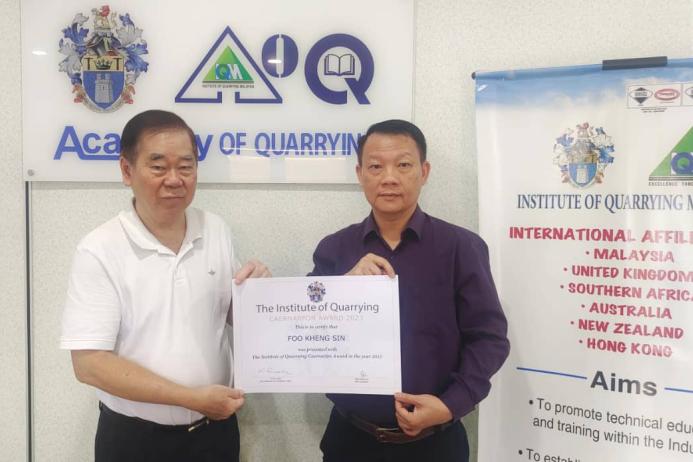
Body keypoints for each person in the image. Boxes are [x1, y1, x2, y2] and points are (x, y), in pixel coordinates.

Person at [60, 110, 269, 462]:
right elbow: (89, 364)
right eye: (158, 167)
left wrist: (258, 294)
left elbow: (227, 315)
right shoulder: (100, 248)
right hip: (135, 440)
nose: (174, 179)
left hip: (213, 433)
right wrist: (191, 398)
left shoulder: (215, 228)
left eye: (186, 166)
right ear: (127, 170)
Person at [309, 119, 510, 462]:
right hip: (349, 441)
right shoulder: (334, 249)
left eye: (403, 164)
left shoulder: (461, 247)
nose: (389, 177)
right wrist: (342, 289)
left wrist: (451, 404)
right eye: (375, 166)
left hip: (436, 446)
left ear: (424, 171)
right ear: (360, 173)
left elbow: (489, 338)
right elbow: (310, 331)